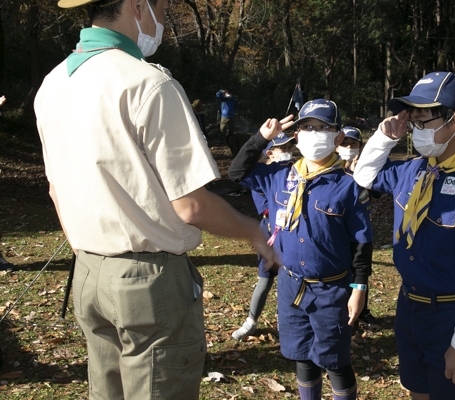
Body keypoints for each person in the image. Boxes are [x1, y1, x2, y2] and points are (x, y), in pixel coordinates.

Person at [34, 1, 275, 399]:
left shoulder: (53, 83)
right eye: (161, 6)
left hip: (88, 271)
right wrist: (253, 231)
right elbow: (191, 204)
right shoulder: (148, 83)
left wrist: (86, 250)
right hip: (149, 283)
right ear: (135, 5)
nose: (162, 18)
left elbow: (55, 189)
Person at [354, 72, 455, 400]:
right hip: (409, 307)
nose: (414, 126)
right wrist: (384, 138)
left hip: (450, 317)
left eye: (423, 118)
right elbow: (364, 176)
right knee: (417, 391)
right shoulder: (415, 169)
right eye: (413, 119)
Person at [228, 99, 373, 400]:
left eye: (323, 128)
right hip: (291, 284)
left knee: (335, 362)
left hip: (332, 289)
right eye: (307, 127)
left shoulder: (348, 185)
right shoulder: (280, 176)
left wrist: (359, 287)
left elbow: (361, 241)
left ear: (338, 137)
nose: (314, 133)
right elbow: (236, 172)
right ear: (296, 135)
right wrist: (261, 138)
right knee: (302, 357)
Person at [232, 132, 296, 340]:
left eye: (290, 148)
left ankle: (286, 321)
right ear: (270, 152)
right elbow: (238, 171)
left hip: (293, 233)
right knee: (265, 279)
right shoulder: (264, 175)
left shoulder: (298, 170)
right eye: (282, 149)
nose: (288, 152)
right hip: (270, 233)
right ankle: (251, 320)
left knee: (291, 281)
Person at [335, 126, 383, 329]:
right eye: (344, 143)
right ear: (336, 146)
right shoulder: (331, 167)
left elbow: (378, 193)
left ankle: (362, 311)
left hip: (360, 230)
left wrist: (362, 176)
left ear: (360, 147)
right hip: (337, 230)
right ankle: (342, 312)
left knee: (360, 270)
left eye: (353, 144)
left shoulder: (366, 167)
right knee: (341, 271)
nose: (348, 147)